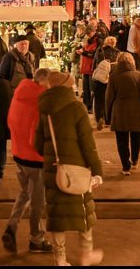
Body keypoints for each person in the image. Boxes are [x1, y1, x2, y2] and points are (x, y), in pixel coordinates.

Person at [36, 71, 105, 267]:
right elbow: (87, 142)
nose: (75, 87)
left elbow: (38, 144)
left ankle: (60, 259)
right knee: (83, 212)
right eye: (73, 84)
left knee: (57, 215)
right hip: (78, 168)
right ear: (67, 87)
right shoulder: (76, 107)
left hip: (54, 169)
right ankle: (86, 255)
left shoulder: (44, 108)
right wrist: (98, 170)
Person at [3, 68, 53, 254]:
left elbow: (10, 122)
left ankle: (11, 226)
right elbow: (36, 136)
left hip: (19, 155)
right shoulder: (39, 101)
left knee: (25, 193)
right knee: (38, 203)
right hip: (35, 159)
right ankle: (36, 239)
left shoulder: (20, 93)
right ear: (43, 83)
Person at [105, 52, 140, 175]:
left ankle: (125, 166)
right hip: (137, 110)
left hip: (119, 110)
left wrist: (108, 115)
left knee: (121, 139)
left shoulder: (114, 76)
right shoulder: (139, 76)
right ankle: (135, 159)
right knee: (136, 136)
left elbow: (109, 97)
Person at [91, 36, 121, 130]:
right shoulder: (117, 52)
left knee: (99, 100)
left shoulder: (100, 51)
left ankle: (99, 118)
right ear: (114, 43)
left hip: (100, 79)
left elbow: (95, 63)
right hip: (112, 79)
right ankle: (109, 120)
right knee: (111, 99)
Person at [79, 27, 100, 112]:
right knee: (85, 88)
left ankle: (91, 107)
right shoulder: (89, 40)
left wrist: (83, 52)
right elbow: (86, 49)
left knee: (92, 88)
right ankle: (86, 105)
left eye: (89, 33)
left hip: (91, 67)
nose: (88, 35)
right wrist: (82, 50)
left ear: (94, 31)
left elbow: (95, 54)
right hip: (85, 67)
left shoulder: (98, 41)